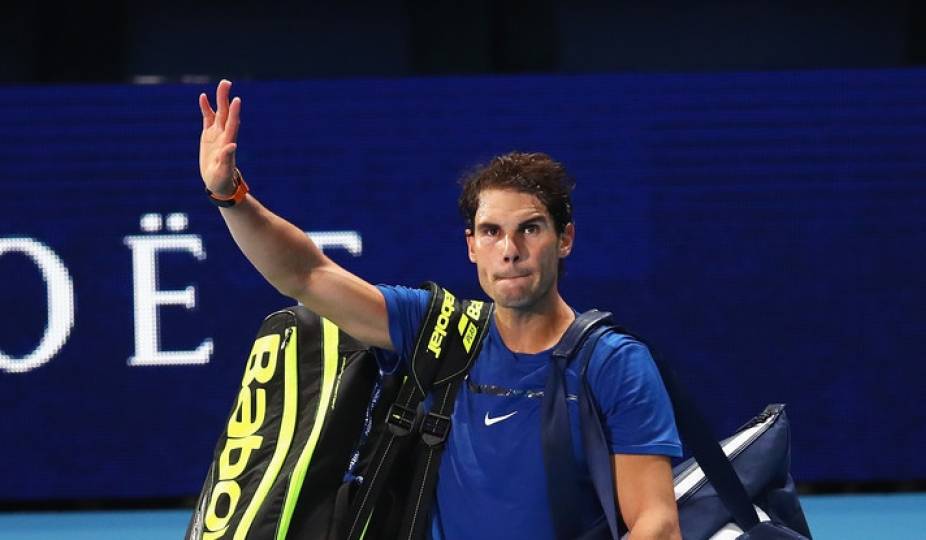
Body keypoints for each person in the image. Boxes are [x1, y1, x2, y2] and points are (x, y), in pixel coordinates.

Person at [199, 79, 682, 540]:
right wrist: (231, 196)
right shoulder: (439, 331)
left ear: (566, 239)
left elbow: (656, 524)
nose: (509, 250)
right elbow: (306, 274)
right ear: (472, 246)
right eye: (491, 232)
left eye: (530, 229)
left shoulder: (615, 365)